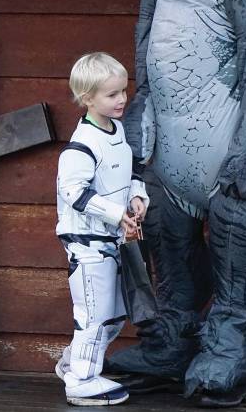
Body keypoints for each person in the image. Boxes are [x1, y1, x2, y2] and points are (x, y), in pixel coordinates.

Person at [54, 52, 150, 406]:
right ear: (87, 98)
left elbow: (130, 171)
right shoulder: (81, 146)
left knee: (113, 316)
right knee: (93, 315)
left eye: (122, 91)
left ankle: (71, 364)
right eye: (111, 95)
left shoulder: (117, 131)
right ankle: (81, 380)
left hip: (114, 240)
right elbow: (75, 193)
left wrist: (138, 197)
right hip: (88, 243)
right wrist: (114, 213)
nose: (121, 99)